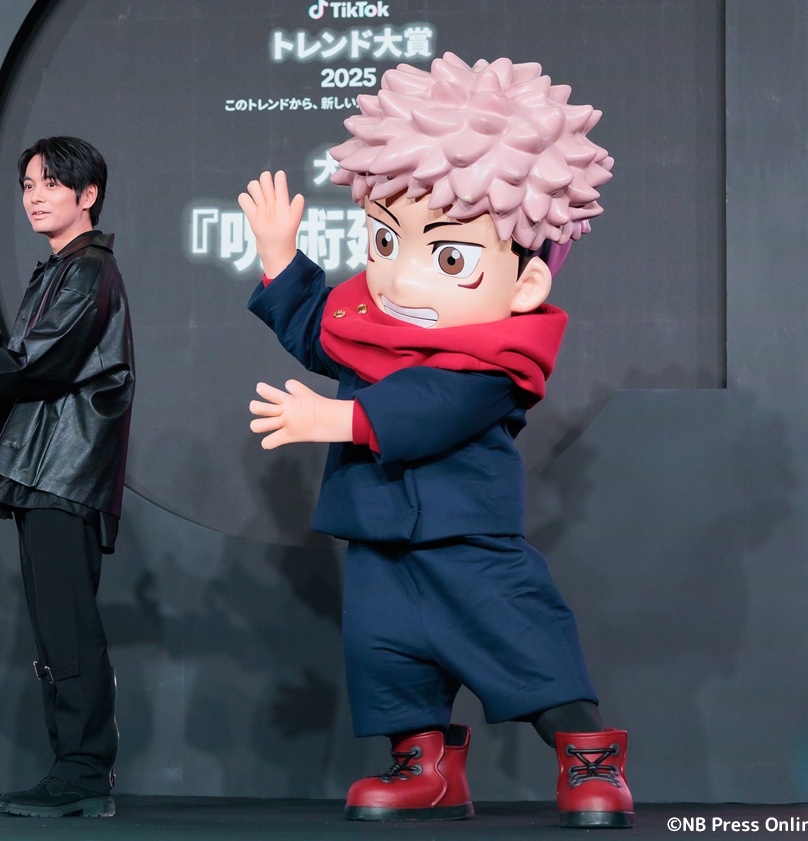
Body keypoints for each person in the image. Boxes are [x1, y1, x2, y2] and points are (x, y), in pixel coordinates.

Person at [240, 54, 633, 829]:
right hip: (378, 532)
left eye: (449, 257)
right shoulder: (374, 325)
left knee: (521, 643)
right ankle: (425, 764)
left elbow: (433, 405)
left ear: (525, 284)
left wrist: (340, 420)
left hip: (465, 538)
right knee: (385, 652)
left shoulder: (499, 359)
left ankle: (589, 756)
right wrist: (282, 258)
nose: (401, 280)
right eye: (386, 243)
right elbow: (323, 332)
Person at [0, 136, 134, 818]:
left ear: (88, 195)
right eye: (28, 185)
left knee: (67, 624)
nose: (35, 197)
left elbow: (39, 365)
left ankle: (83, 771)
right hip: (46, 468)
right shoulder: (63, 269)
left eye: (51, 184)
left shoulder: (89, 271)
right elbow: (29, 355)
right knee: (56, 625)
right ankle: (74, 769)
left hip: (62, 470)